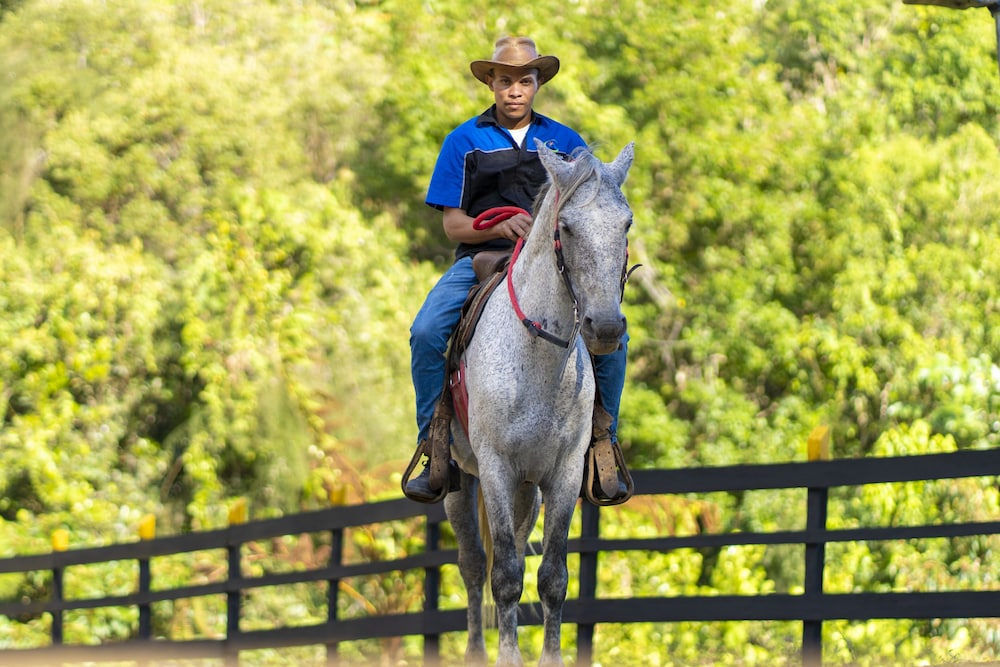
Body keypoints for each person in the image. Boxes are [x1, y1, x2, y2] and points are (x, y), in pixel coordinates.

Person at [404, 36, 629, 502]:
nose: (515, 90)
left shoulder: (567, 143)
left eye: (524, 81)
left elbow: (589, 208)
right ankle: (434, 443)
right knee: (426, 331)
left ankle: (602, 441)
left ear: (537, 83)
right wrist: (497, 224)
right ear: (490, 82)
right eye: (505, 80)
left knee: (613, 334)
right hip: (482, 259)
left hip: (553, 266)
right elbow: (452, 224)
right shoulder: (463, 140)